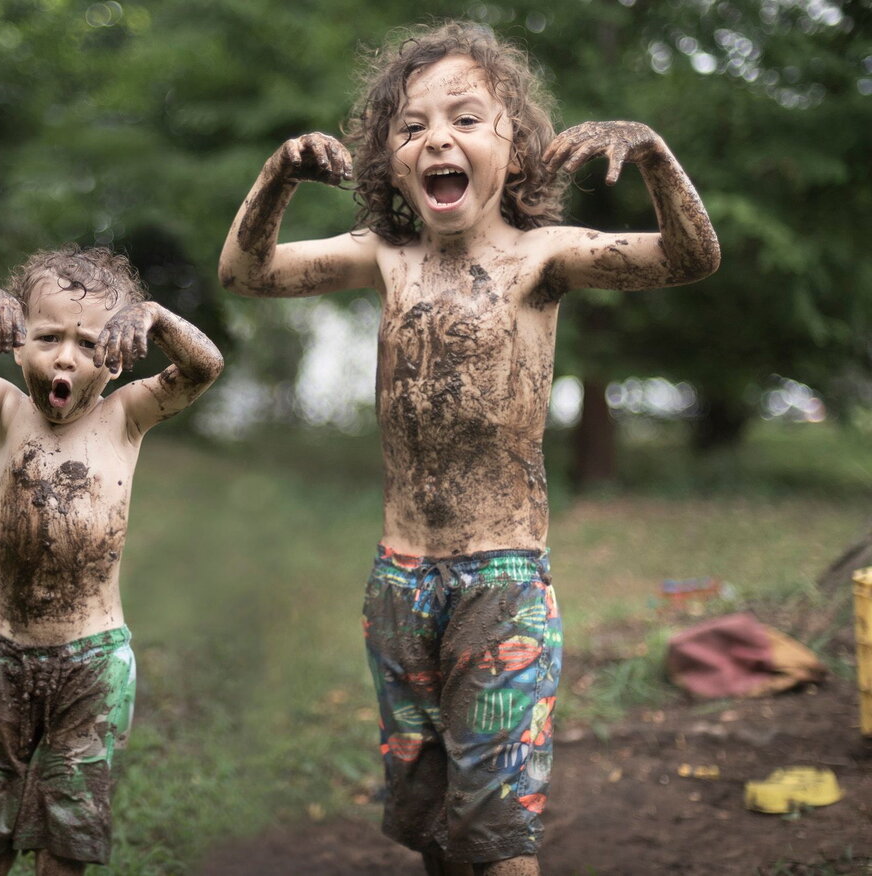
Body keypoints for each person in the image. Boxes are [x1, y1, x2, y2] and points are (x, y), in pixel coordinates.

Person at [218, 21, 719, 876]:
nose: (437, 139)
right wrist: (277, 176)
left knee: (498, 838)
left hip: (503, 583)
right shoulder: (384, 257)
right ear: (389, 161)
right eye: (411, 127)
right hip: (400, 585)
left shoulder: (542, 257)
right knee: (434, 824)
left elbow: (690, 256)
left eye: (465, 118)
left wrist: (654, 159)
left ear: (514, 146)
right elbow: (246, 271)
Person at [0, 245, 223, 875]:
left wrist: (156, 317)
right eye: (47, 336)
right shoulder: (3, 409)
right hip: (7, 653)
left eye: (89, 342)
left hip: (93, 660)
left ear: (117, 354)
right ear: (17, 343)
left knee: (70, 831)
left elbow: (204, 367)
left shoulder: (127, 415)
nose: (66, 356)